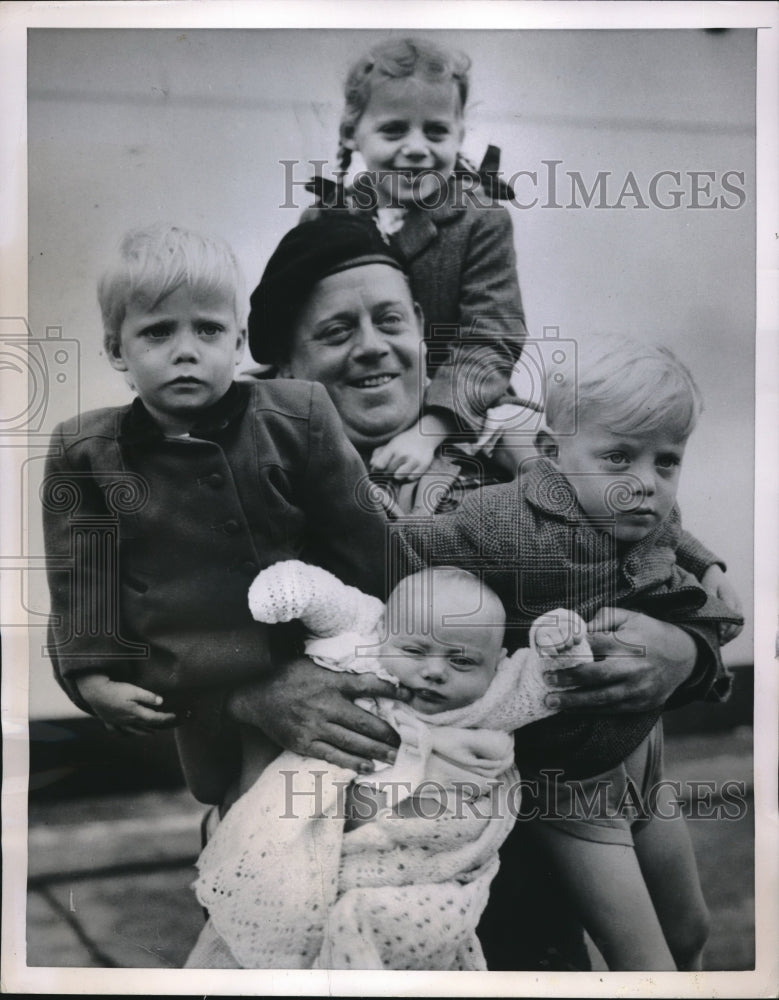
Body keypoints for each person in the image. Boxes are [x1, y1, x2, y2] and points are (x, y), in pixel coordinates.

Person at [237, 216, 742, 969]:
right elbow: (176, 641)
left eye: (392, 320)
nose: (373, 345)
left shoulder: (514, 447)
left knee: (669, 938)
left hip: (548, 847)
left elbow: (665, 558)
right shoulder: (266, 487)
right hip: (379, 872)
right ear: (284, 366)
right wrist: (252, 692)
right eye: (337, 330)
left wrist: (682, 651)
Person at [393, 332, 744, 970]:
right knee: (644, 962)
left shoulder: (639, 508)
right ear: (554, 454)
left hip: (645, 758)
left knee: (691, 931)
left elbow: (674, 526)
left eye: (667, 461)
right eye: (619, 458)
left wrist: (709, 565)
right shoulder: (505, 520)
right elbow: (415, 547)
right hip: (572, 786)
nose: (646, 483)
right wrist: (410, 508)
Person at [41, 222, 395, 807]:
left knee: (325, 798)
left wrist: (398, 626)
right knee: (223, 799)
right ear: (115, 350)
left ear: (237, 341)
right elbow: (82, 574)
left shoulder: (297, 414)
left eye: (208, 328)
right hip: (187, 678)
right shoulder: (84, 449)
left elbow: (360, 536)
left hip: (311, 656)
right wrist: (90, 675)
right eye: (157, 332)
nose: (186, 349)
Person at [186, 561, 590, 970]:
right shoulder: (363, 665)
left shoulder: (489, 699)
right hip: (330, 840)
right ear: (382, 636)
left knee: (390, 921)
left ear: (497, 664)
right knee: (284, 894)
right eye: (415, 652)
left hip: (423, 862)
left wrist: (559, 640)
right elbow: (331, 604)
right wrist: (289, 589)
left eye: (462, 662)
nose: (434, 672)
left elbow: (548, 680)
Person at [283, 36, 528, 482]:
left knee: (535, 461)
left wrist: (429, 430)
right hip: (359, 396)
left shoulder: (481, 218)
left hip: (459, 405)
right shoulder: (323, 217)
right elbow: (301, 332)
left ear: (459, 135)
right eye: (394, 129)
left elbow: (492, 338)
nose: (416, 147)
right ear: (351, 133)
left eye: (435, 131)